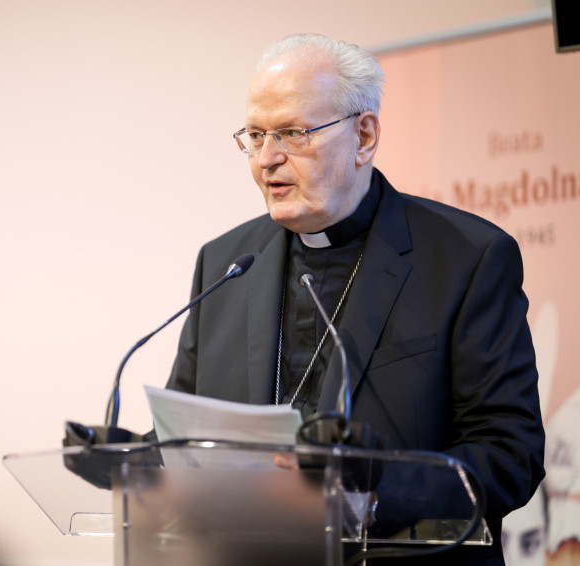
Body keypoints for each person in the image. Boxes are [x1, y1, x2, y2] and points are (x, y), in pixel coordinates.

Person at [165, 33, 544, 565]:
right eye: (255, 135)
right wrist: (122, 459)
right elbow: (185, 434)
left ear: (364, 135)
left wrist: (371, 497)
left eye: (292, 133)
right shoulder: (225, 262)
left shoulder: (467, 258)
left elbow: (510, 455)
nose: (267, 158)